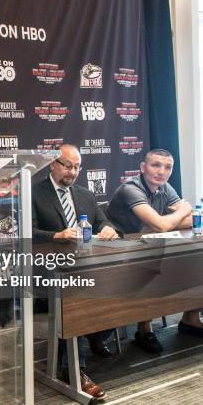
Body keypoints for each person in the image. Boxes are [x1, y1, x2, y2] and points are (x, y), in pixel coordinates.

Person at [32, 144, 119, 401]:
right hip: (49, 270)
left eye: (77, 167)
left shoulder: (85, 194)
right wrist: (56, 234)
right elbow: (23, 231)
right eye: (67, 165)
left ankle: (95, 336)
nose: (73, 171)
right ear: (53, 165)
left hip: (87, 265)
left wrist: (108, 229)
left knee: (124, 285)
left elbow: (102, 220)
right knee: (75, 297)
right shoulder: (33, 193)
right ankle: (73, 369)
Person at [107, 148, 201, 352]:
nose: (162, 171)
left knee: (196, 259)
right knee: (152, 267)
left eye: (167, 167)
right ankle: (144, 329)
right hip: (118, 252)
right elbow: (169, 221)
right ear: (143, 167)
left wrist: (161, 223)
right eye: (155, 165)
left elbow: (189, 220)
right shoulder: (130, 188)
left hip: (148, 245)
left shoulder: (165, 187)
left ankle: (191, 318)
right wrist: (172, 217)